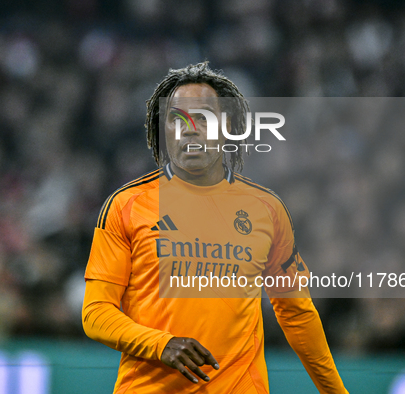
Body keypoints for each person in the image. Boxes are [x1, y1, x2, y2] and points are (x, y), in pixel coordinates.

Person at [82, 62, 348, 393]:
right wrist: (160, 344)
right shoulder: (127, 206)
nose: (190, 128)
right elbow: (95, 313)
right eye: (177, 118)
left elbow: (297, 312)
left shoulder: (266, 210)